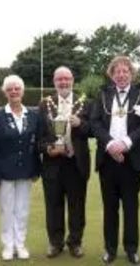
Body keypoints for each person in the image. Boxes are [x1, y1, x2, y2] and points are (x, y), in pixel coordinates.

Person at [91, 56, 140, 265]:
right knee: (110, 207)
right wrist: (110, 144)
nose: (121, 74)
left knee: (131, 207)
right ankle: (110, 249)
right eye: (117, 71)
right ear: (112, 75)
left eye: (125, 71)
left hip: (131, 159)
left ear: (131, 73)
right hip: (108, 160)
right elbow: (95, 123)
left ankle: (131, 249)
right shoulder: (103, 93)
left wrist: (126, 143)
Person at [38, 66, 91, 259]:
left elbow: (92, 130)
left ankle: (75, 242)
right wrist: (48, 149)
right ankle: (55, 243)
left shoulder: (85, 103)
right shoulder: (45, 104)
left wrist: (81, 124)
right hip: (52, 163)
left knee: (77, 206)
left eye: (67, 79)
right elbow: (39, 137)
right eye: (59, 79)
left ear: (72, 80)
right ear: (54, 81)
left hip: (76, 163)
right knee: (53, 205)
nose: (63, 82)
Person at [0, 75, 42, 261]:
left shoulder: (33, 115)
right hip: (4, 171)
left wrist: (37, 169)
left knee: (22, 209)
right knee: (7, 209)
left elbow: (37, 145)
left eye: (17, 88)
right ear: (5, 92)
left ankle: (20, 244)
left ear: (22, 91)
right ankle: (8, 246)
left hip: (26, 169)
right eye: (10, 89)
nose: (13, 92)